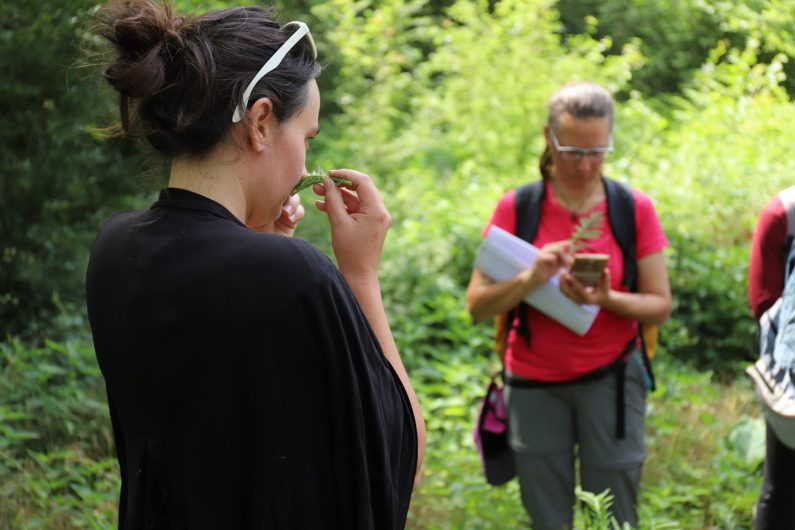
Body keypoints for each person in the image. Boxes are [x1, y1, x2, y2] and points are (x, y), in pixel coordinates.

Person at [85, 1, 425, 528]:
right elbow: (396, 466)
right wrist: (359, 274)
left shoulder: (114, 246)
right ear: (262, 121)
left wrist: (259, 240)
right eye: (306, 139)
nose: (306, 167)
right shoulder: (295, 274)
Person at [466, 82, 671, 530]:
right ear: (548, 139)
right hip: (534, 384)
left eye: (597, 151)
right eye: (573, 150)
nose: (585, 165)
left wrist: (608, 298)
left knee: (614, 515)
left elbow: (659, 305)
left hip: (613, 380)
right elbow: (477, 305)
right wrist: (530, 277)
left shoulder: (631, 208)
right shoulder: (517, 208)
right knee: (548, 517)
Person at [748, 187, 795, 530]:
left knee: (780, 491)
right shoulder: (783, 213)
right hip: (788, 382)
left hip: (788, 380)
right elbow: (764, 301)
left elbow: (762, 301)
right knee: (781, 490)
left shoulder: (785, 210)